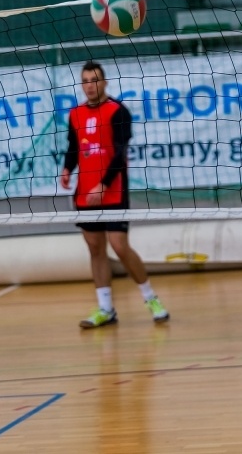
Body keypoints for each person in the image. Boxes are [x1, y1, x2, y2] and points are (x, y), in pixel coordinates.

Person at [61, 60, 170, 329]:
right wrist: (66, 168)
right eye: (85, 81)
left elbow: (121, 155)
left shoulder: (118, 111)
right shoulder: (75, 114)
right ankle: (105, 309)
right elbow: (74, 147)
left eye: (94, 80)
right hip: (85, 192)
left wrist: (103, 184)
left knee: (119, 246)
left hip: (113, 191)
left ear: (105, 82)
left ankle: (151, 299)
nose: (89, 86)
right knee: (95, 248)